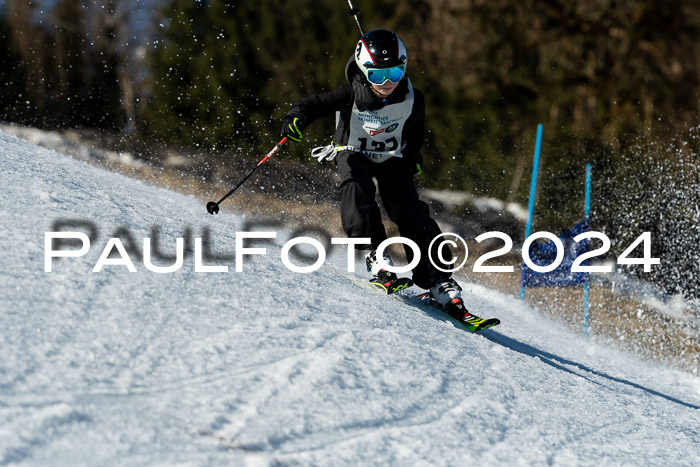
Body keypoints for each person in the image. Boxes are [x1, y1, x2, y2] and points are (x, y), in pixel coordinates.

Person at [280, 29, 467, 317]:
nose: (388, 82)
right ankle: (377, 255)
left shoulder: (413, 99)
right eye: (378, 76)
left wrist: (414, 158)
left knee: (411, 211)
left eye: (395, 73)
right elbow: (312, 105)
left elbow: (415, 133)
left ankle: (437, 279)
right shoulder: (350, 93)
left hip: (391, 158)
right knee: (356, 187)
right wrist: (296, 118)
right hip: (353, 152)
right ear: (364, 71)